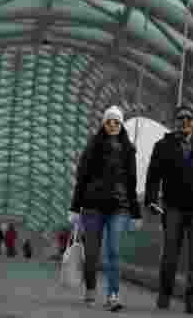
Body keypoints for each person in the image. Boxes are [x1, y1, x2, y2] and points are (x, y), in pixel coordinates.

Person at [144, 104, 193, 315]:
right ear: (175, 123)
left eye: (189, 118)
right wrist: (151, 199)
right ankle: (165, 293)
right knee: (170, 254)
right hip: (173, 207)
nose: (185, 121)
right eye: (181, 118)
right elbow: (153, 176)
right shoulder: (163, 145)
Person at [69, 105, 142, 311]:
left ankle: (113, 295)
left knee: (114, 251)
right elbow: (81, 178)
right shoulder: (92, 146)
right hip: (92, 207)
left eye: (117, 121)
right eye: (109, 121)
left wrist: (135, 213)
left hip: (119, 207)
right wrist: (75, 208)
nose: (113, 125)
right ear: (104, 124)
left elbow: (131, 182)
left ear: (121, 124)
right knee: (92, 253)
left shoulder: (128, 149)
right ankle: (91, 290)